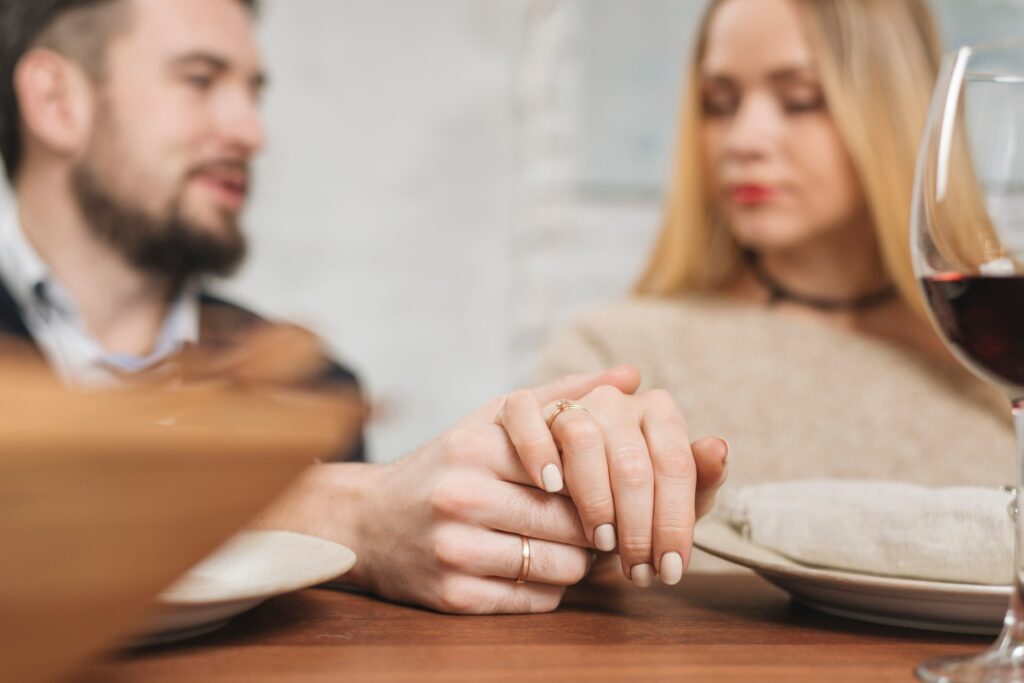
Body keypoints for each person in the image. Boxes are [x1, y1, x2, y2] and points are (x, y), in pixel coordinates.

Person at [0, 0, 729, 613]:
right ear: (57, 100)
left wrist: (548, 525)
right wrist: (337, 510)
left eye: (253, 92)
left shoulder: (313, 385)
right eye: (199, 81)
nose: (250, 131)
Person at [535, 0, 1015, 492]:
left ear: (895, 112)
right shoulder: (617, 360)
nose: (744, 140)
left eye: (800, 99)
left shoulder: (997, 360)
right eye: (719, 104)